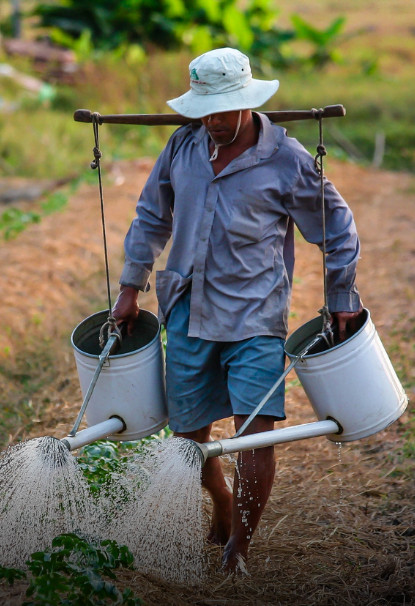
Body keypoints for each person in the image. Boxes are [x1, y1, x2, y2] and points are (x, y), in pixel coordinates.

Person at [111, 47, 364, 574]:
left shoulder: (286, 160)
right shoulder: (182, 146)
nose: (214, 122)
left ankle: (238, 549)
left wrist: (340, 297)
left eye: (223, 111)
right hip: (186, 310)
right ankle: (222, 504)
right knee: (187, 441)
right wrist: (130, 286)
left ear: (248, 103)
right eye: (205, 110)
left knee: (256, 434)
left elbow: (338, 229)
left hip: (255, 317)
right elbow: (151, 216)